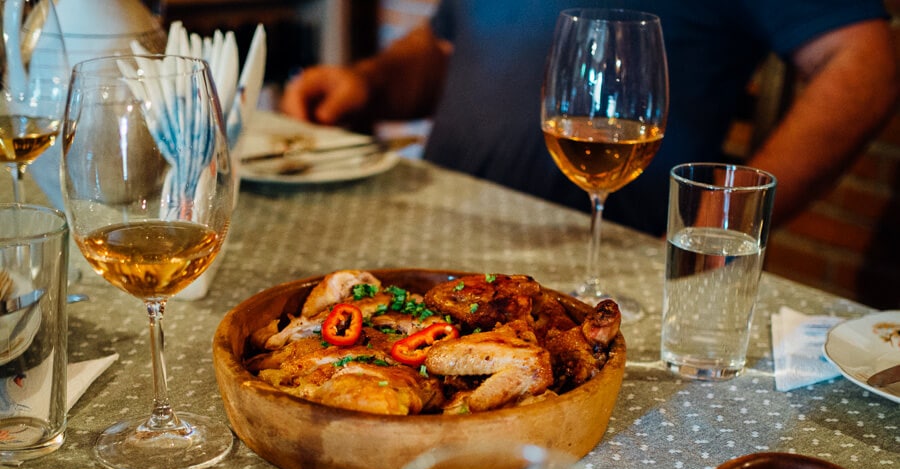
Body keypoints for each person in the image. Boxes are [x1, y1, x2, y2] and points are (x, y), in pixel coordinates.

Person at [280, 1, 899, 236]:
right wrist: (366, 83)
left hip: (605, 264)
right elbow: (446, 45)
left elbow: (867, 63)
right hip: (438, 230)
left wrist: (727, 219)